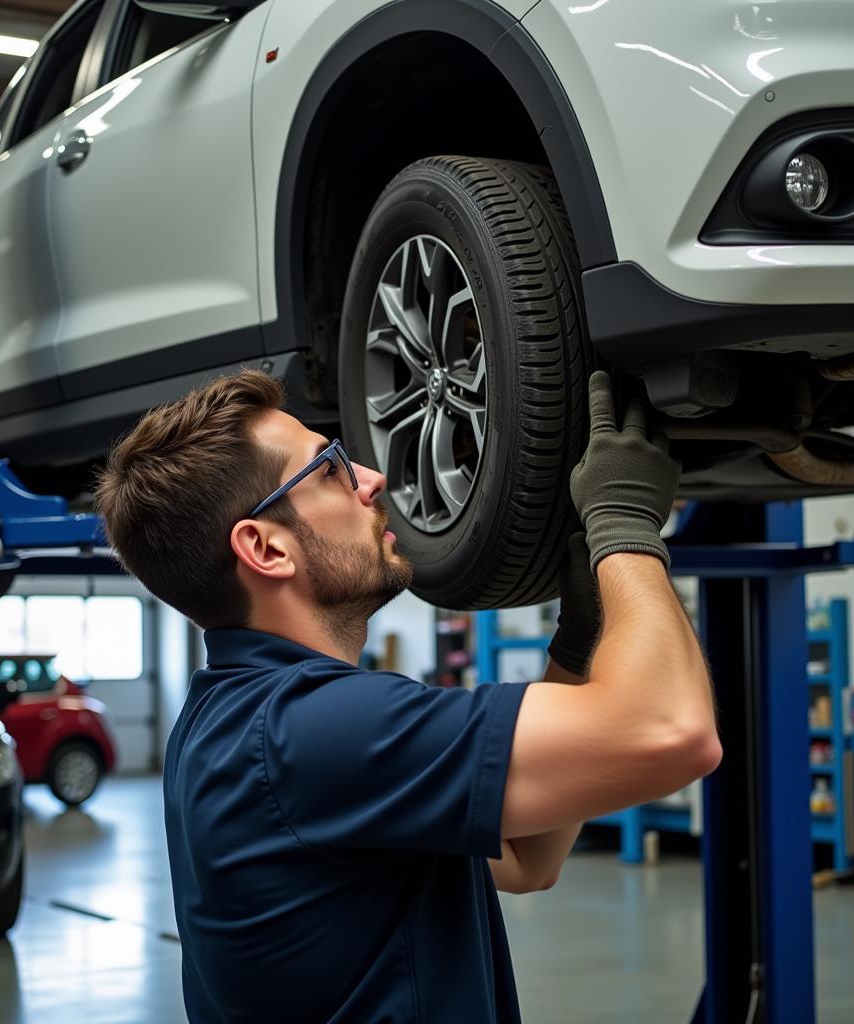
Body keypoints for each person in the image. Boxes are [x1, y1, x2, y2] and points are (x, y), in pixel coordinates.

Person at [94, 368, 721, 1024]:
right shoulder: (312, 727)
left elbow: (526, 858)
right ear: (265, 548)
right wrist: (625, 530)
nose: (370, 479)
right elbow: (673, 732)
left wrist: (577, 643)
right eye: (329, 468)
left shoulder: (225, 717)